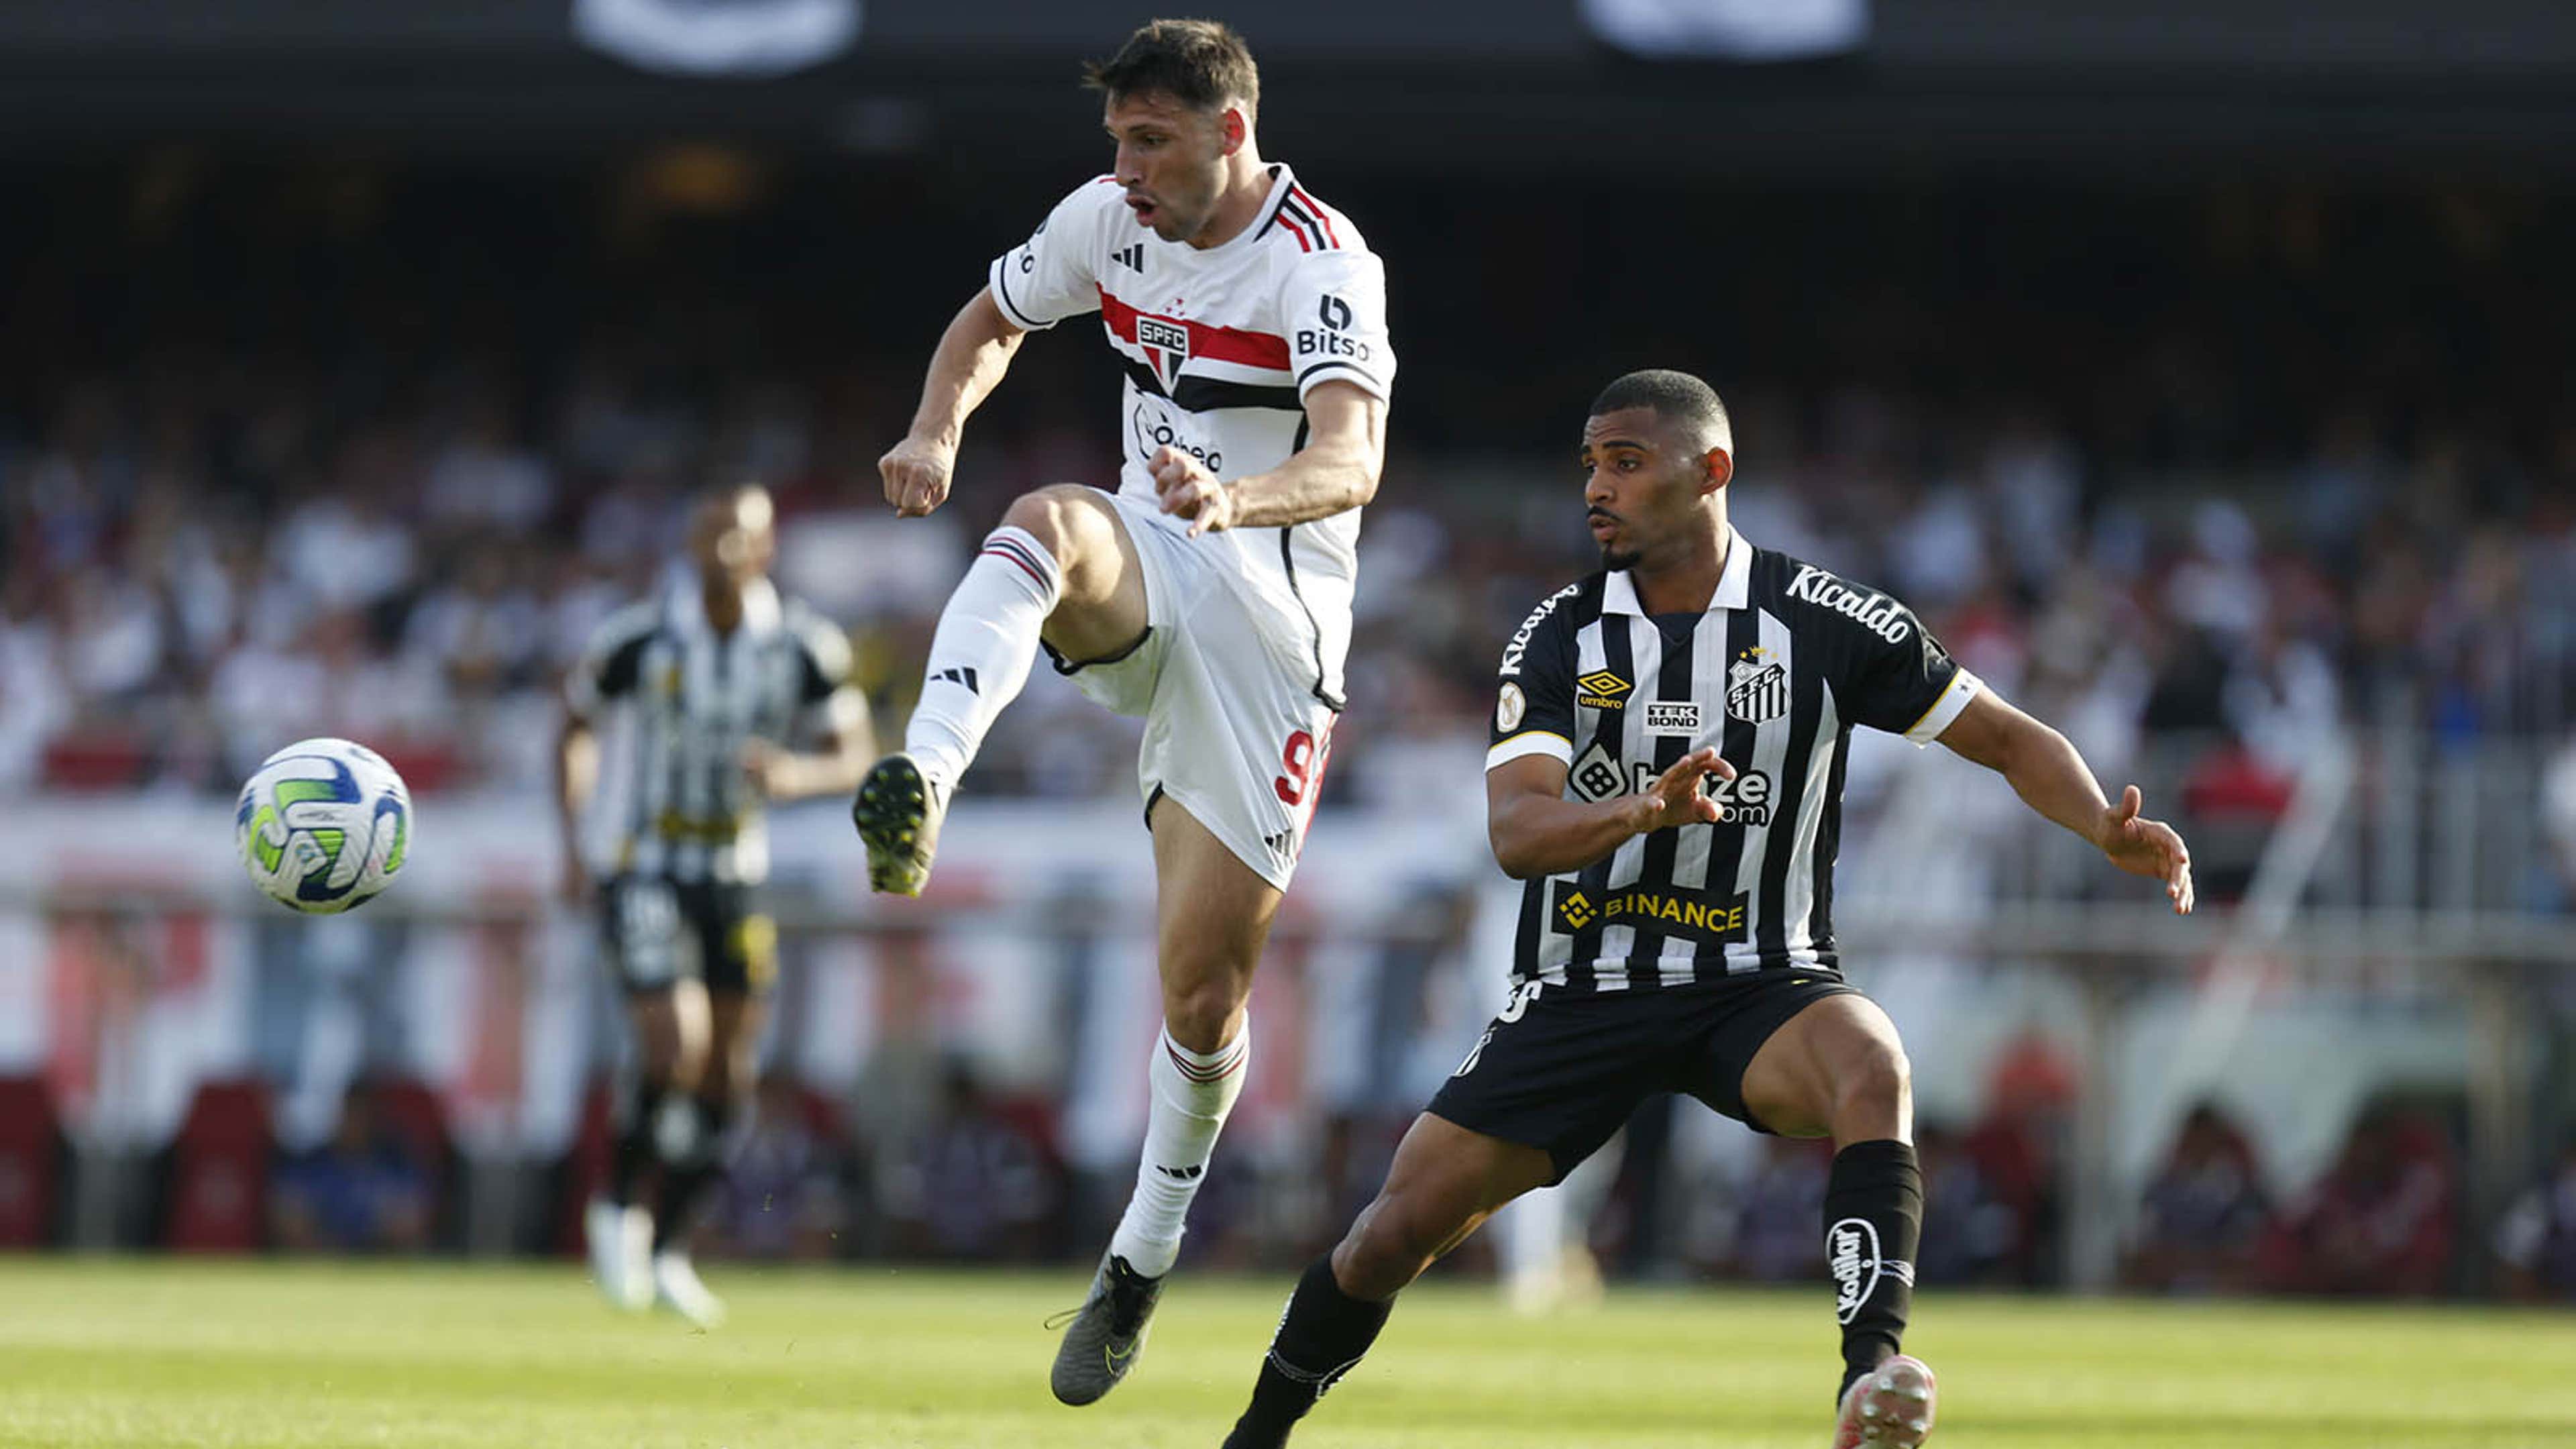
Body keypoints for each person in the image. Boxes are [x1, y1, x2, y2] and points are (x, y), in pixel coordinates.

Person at [1217, 370, 2194, 1449]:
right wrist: (1642, 809)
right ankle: (1258, 1433)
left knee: (1873, 1064)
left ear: (1710, 471)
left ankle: (1869, 1379)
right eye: (1590, 463)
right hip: (1584, 987)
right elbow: (1516, 833)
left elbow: (2006, 736)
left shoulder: (1823, 620)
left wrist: (2103, 821)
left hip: (1760, 980)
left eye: (1627, 463)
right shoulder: (1560, 635)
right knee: (1386, 1240)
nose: (1598, 486)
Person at [849, 17, 1394, 1405]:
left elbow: (1350, 457)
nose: (1126, 167)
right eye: (1118, 140)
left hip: (1273, 631)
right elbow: (990, 319)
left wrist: (1242, 496)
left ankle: (1142, 1255)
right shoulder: (1106, 221)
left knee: (1201, 994)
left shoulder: (1321, 264)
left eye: (1151, 140)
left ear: (1230, 131)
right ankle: (919, 779)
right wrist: (937, 427)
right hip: (1150, 561)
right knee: (1043, 523)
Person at [557, 483, 873, 1326]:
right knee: (675, 1043)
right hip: (644, 864)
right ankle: (617, 1206)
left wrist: (797, 774)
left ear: (766, 550)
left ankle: (671, 1247)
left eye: (734, 539)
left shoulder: (804, 645)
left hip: (736, 873)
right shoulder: (639, 637)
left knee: (731, 1070)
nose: (717, 554)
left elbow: (855, 753)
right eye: (704, 537)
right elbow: (575, 724)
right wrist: (574, 842)